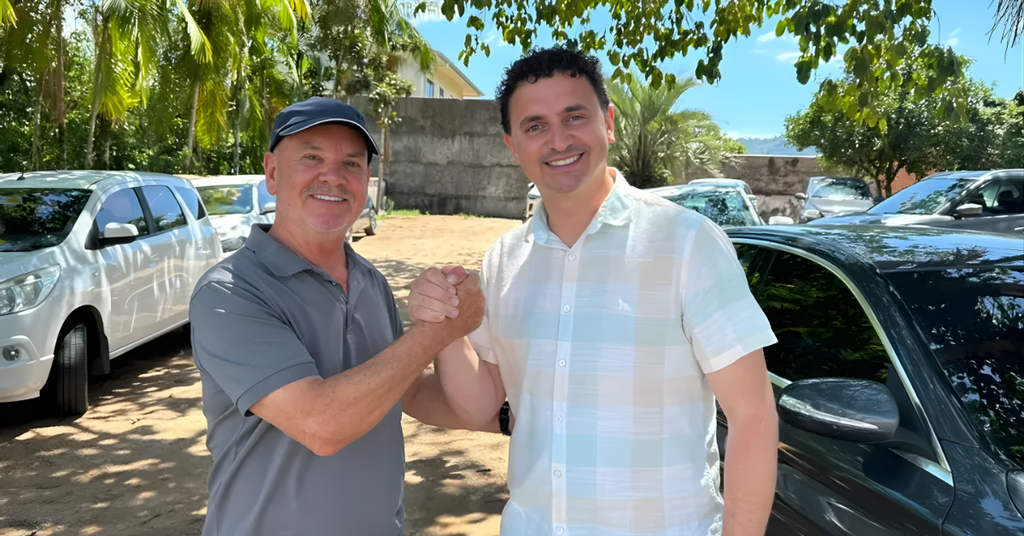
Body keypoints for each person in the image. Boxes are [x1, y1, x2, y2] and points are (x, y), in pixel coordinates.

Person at [409, 47, 779, 535]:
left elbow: (752, 415)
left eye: (574, 116)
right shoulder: (504, 260)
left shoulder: (687, 243)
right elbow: (481, 406)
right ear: (513, 146)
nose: (558, 139)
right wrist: (445, 324)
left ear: (607, 122)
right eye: (535, 126)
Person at [189, 97, 484, 536]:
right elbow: (321, 424)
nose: (333, 176)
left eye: (351, 163)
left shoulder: (370, 282)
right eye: (311, 157)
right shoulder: (230, 291)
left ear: (366, 180)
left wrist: (511, 417)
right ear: (272, 172)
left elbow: (407, 391)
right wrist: (435, 333)